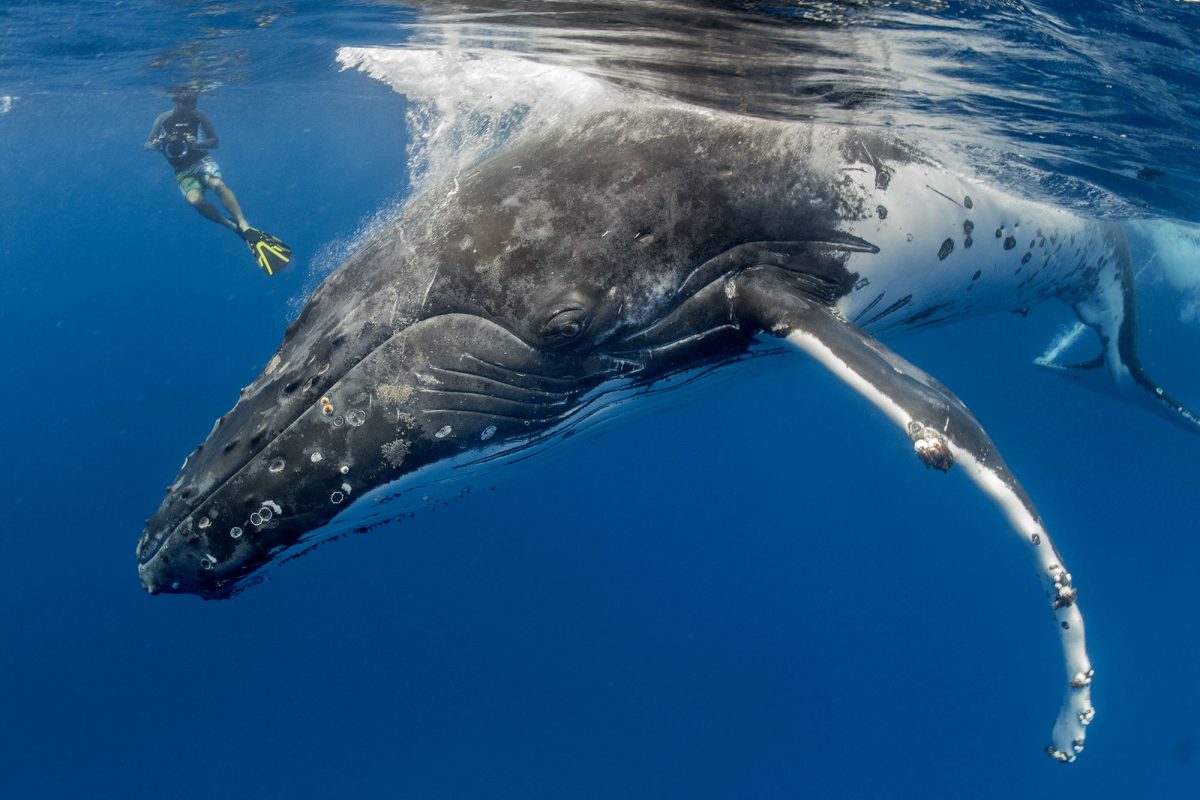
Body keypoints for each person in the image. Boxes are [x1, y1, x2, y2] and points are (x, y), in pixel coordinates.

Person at [145, 88, 292, 275]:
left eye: (194, 103)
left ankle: (244, 224)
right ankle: (231, 225)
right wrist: (156, 144)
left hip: (201, 161)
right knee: (194, 201)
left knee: (216, 184)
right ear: (177, 101)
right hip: (182, 171)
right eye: (188, 103)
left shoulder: (199, 116)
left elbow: (215, 142)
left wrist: (197, 143)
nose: (192, 107)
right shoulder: (163, 119)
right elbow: (146, 145)